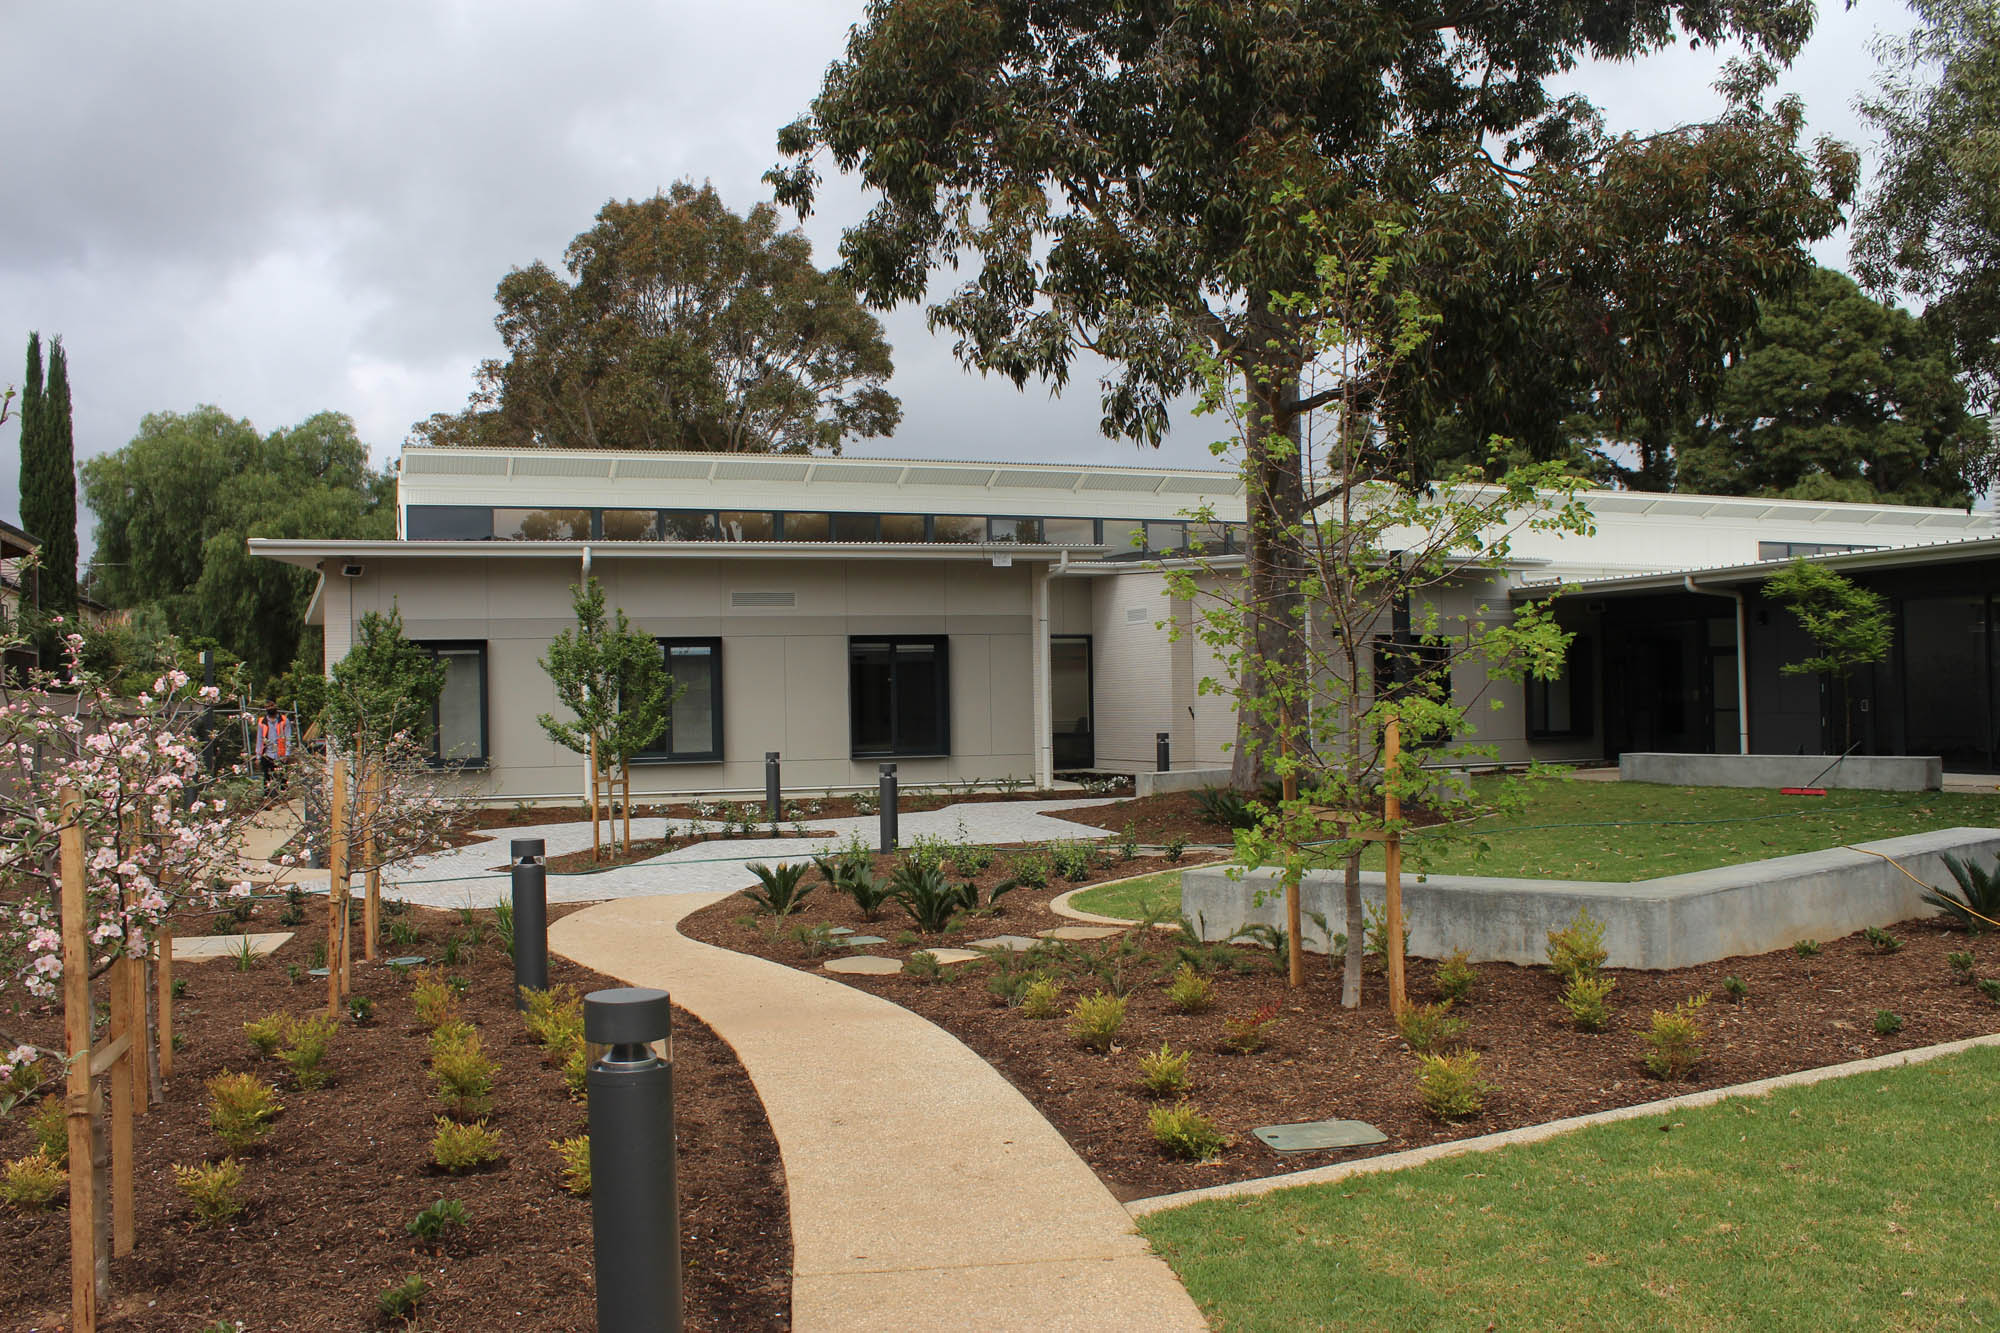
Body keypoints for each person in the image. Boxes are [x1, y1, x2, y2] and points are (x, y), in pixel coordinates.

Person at [255, 702, 293, 796]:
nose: (270, 708)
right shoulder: (261, 721)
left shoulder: (284, 720)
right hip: (267, 753)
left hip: (281, 753)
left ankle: (284, 798)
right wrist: (258, 756)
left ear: (276, 706)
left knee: (283, 777)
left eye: (272, 705)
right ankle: (267, 798)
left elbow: (288, 737)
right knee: (267, 777)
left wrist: (287, 754)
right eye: (268, 706)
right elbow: (259, 738)